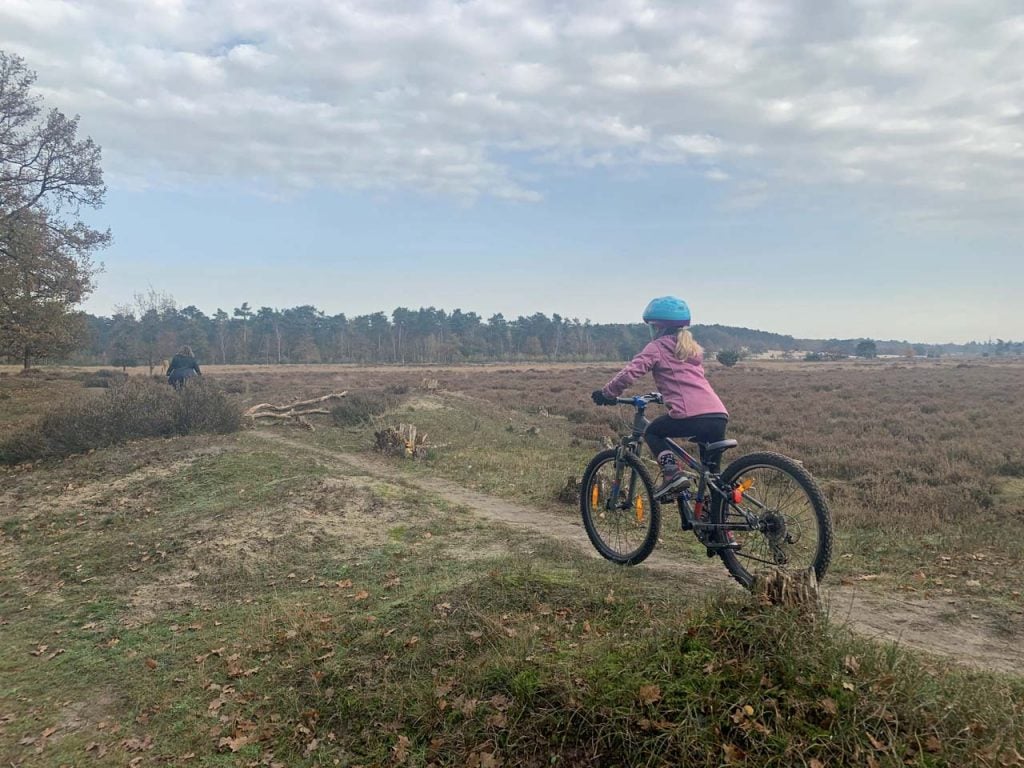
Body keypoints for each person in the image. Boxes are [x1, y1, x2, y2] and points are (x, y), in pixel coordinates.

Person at [592, 296, 728, 498]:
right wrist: (664, 395)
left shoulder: (657, 347)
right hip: (718, 416)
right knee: (713, 478)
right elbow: (687, 383)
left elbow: (631, 372)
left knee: (653, 432)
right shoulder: (691, 350)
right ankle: (718, 526)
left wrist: (607, 393)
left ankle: (672, 474)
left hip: (693, 416)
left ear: (657, 327)